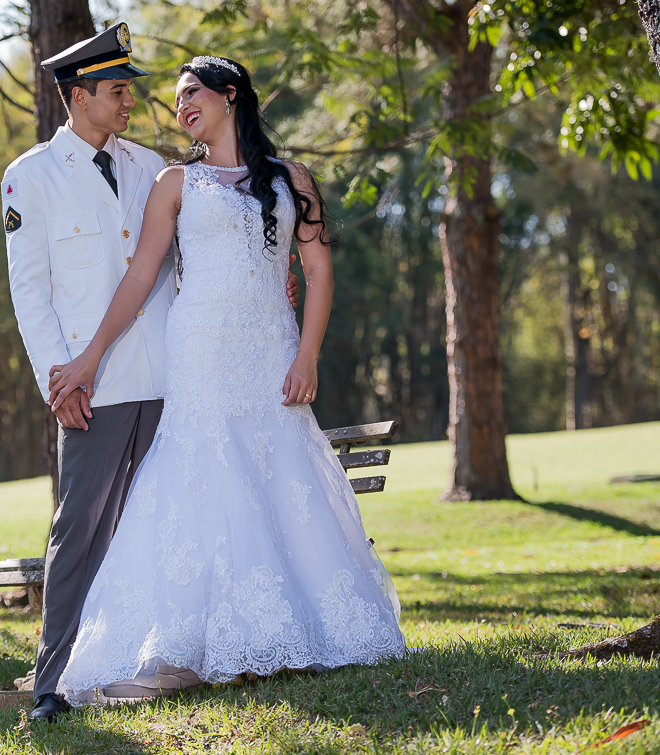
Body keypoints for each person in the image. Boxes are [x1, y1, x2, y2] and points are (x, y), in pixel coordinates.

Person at [47, 55, 406, 707]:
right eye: (177, 98)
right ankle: (173, 647)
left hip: (272, 353)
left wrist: (308, 355)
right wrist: (90, 354)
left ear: (230, 95)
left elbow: (318, 273)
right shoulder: (175, 183)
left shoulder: (293, 179)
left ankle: (301, 627)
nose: (181, 106)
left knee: (281, 471)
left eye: (192, 94)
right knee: (199, 477)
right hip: (200, 355)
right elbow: (140, 277)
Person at [0, 27, 298, 723]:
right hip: (94, 385)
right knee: (81, 529)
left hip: (178, 375)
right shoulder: (32, 176)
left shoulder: (155, 168)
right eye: (116, 91)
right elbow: (30, 291)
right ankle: (53, 679)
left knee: (169, 522)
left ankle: (170, 653)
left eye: (129, 88)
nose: (130, 99)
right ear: (79, 97)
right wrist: (61, 380)